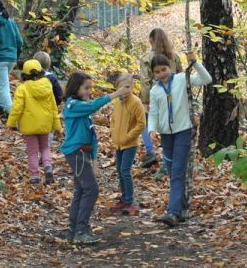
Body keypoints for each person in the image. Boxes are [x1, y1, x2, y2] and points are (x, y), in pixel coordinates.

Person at [60, 72, 130, 244]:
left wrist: (95, 159)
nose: (90, 91)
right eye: (86, 88)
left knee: (82, 189)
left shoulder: (83, 106)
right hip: (74, 152)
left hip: (82, 153)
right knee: (91, 189)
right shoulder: (72, 105)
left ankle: (74, 228)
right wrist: (115, 94)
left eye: (91, 87)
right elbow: (93, 106)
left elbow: (93, 136)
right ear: (76, 88)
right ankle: (81, 230)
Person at [148, 52, 211, 227]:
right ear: (153, 74)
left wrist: (195, 63)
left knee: (176, 172)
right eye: (157, 71)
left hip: (183, 132)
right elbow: (153, 112)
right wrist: (152, 128)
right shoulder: (155, 91)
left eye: (164, 69)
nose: (162, 74)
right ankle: (182, 209)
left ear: (170, 67)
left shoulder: (183, 79)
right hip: (166, 136)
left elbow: (207, 79)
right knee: (174, 173)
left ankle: (173, 213)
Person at [7, 59, 61, 185]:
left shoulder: (22, 88)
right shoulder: (48, 85)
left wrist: (11, 123)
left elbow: (16, 108)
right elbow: (54, 108)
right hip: (45, 124)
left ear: (24, 74)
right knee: (45, 147)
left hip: (29, 125)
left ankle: (35, 176)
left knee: (32, 151)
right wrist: (57, 127)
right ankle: (48, 167)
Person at [139, 28, 183, 178]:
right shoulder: (174, 56)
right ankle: (167, 161)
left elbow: (145, 81)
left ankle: (152, 152)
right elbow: (182, 75)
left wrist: (145, 101)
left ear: (151, 40)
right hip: (175, 97)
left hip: (156, 96)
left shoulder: (146, 58)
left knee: (147, 124)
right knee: (172, 127)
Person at [109, 74, 146, 216]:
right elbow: (113, 120)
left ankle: (130, 201)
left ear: (132, 87)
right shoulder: (117, 102)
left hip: (130, 144)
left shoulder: (136, 102)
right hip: (118, 143)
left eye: (127, 87)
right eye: (121, 87)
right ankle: (124, 199)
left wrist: (128, 136)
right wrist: (113, 132)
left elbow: (141, 123)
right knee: (119, 170)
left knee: (125, 171)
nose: (124, 90)